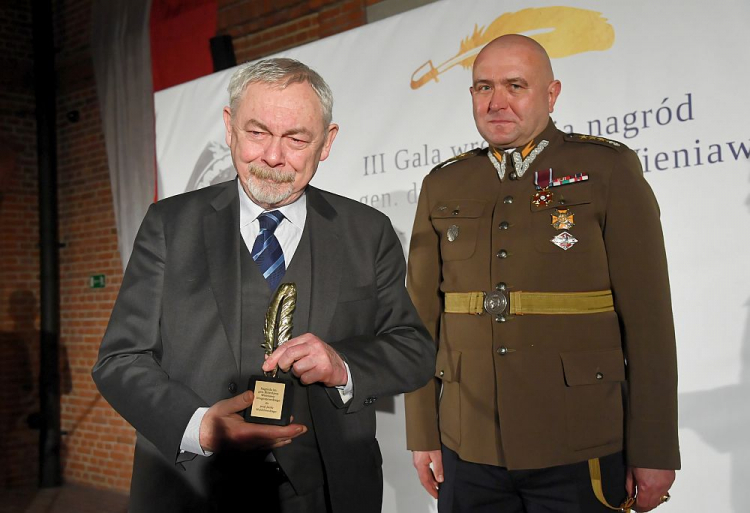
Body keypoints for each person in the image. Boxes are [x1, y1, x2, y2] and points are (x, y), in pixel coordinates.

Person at [93, 57, 434, 513]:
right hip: (194, 488)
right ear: (229, 127)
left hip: (329, 491)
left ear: (327, 142)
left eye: (296, 138)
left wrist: (345, 363)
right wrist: (198, 426)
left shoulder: (368, 231)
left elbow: (412, 349)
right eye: (257, 133)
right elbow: (120, 359)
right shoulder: (169, 226)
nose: (273, 157)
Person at [404, 34, 679, 513]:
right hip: (468, 446)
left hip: (579, 440)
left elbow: (649, 322)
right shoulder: (443, 183)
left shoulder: (605, 169)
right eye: (483, 87)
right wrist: (422, 432)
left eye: (516, 85)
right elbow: (420, 321)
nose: (497, 102)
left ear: (551, 94)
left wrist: (654, 448)